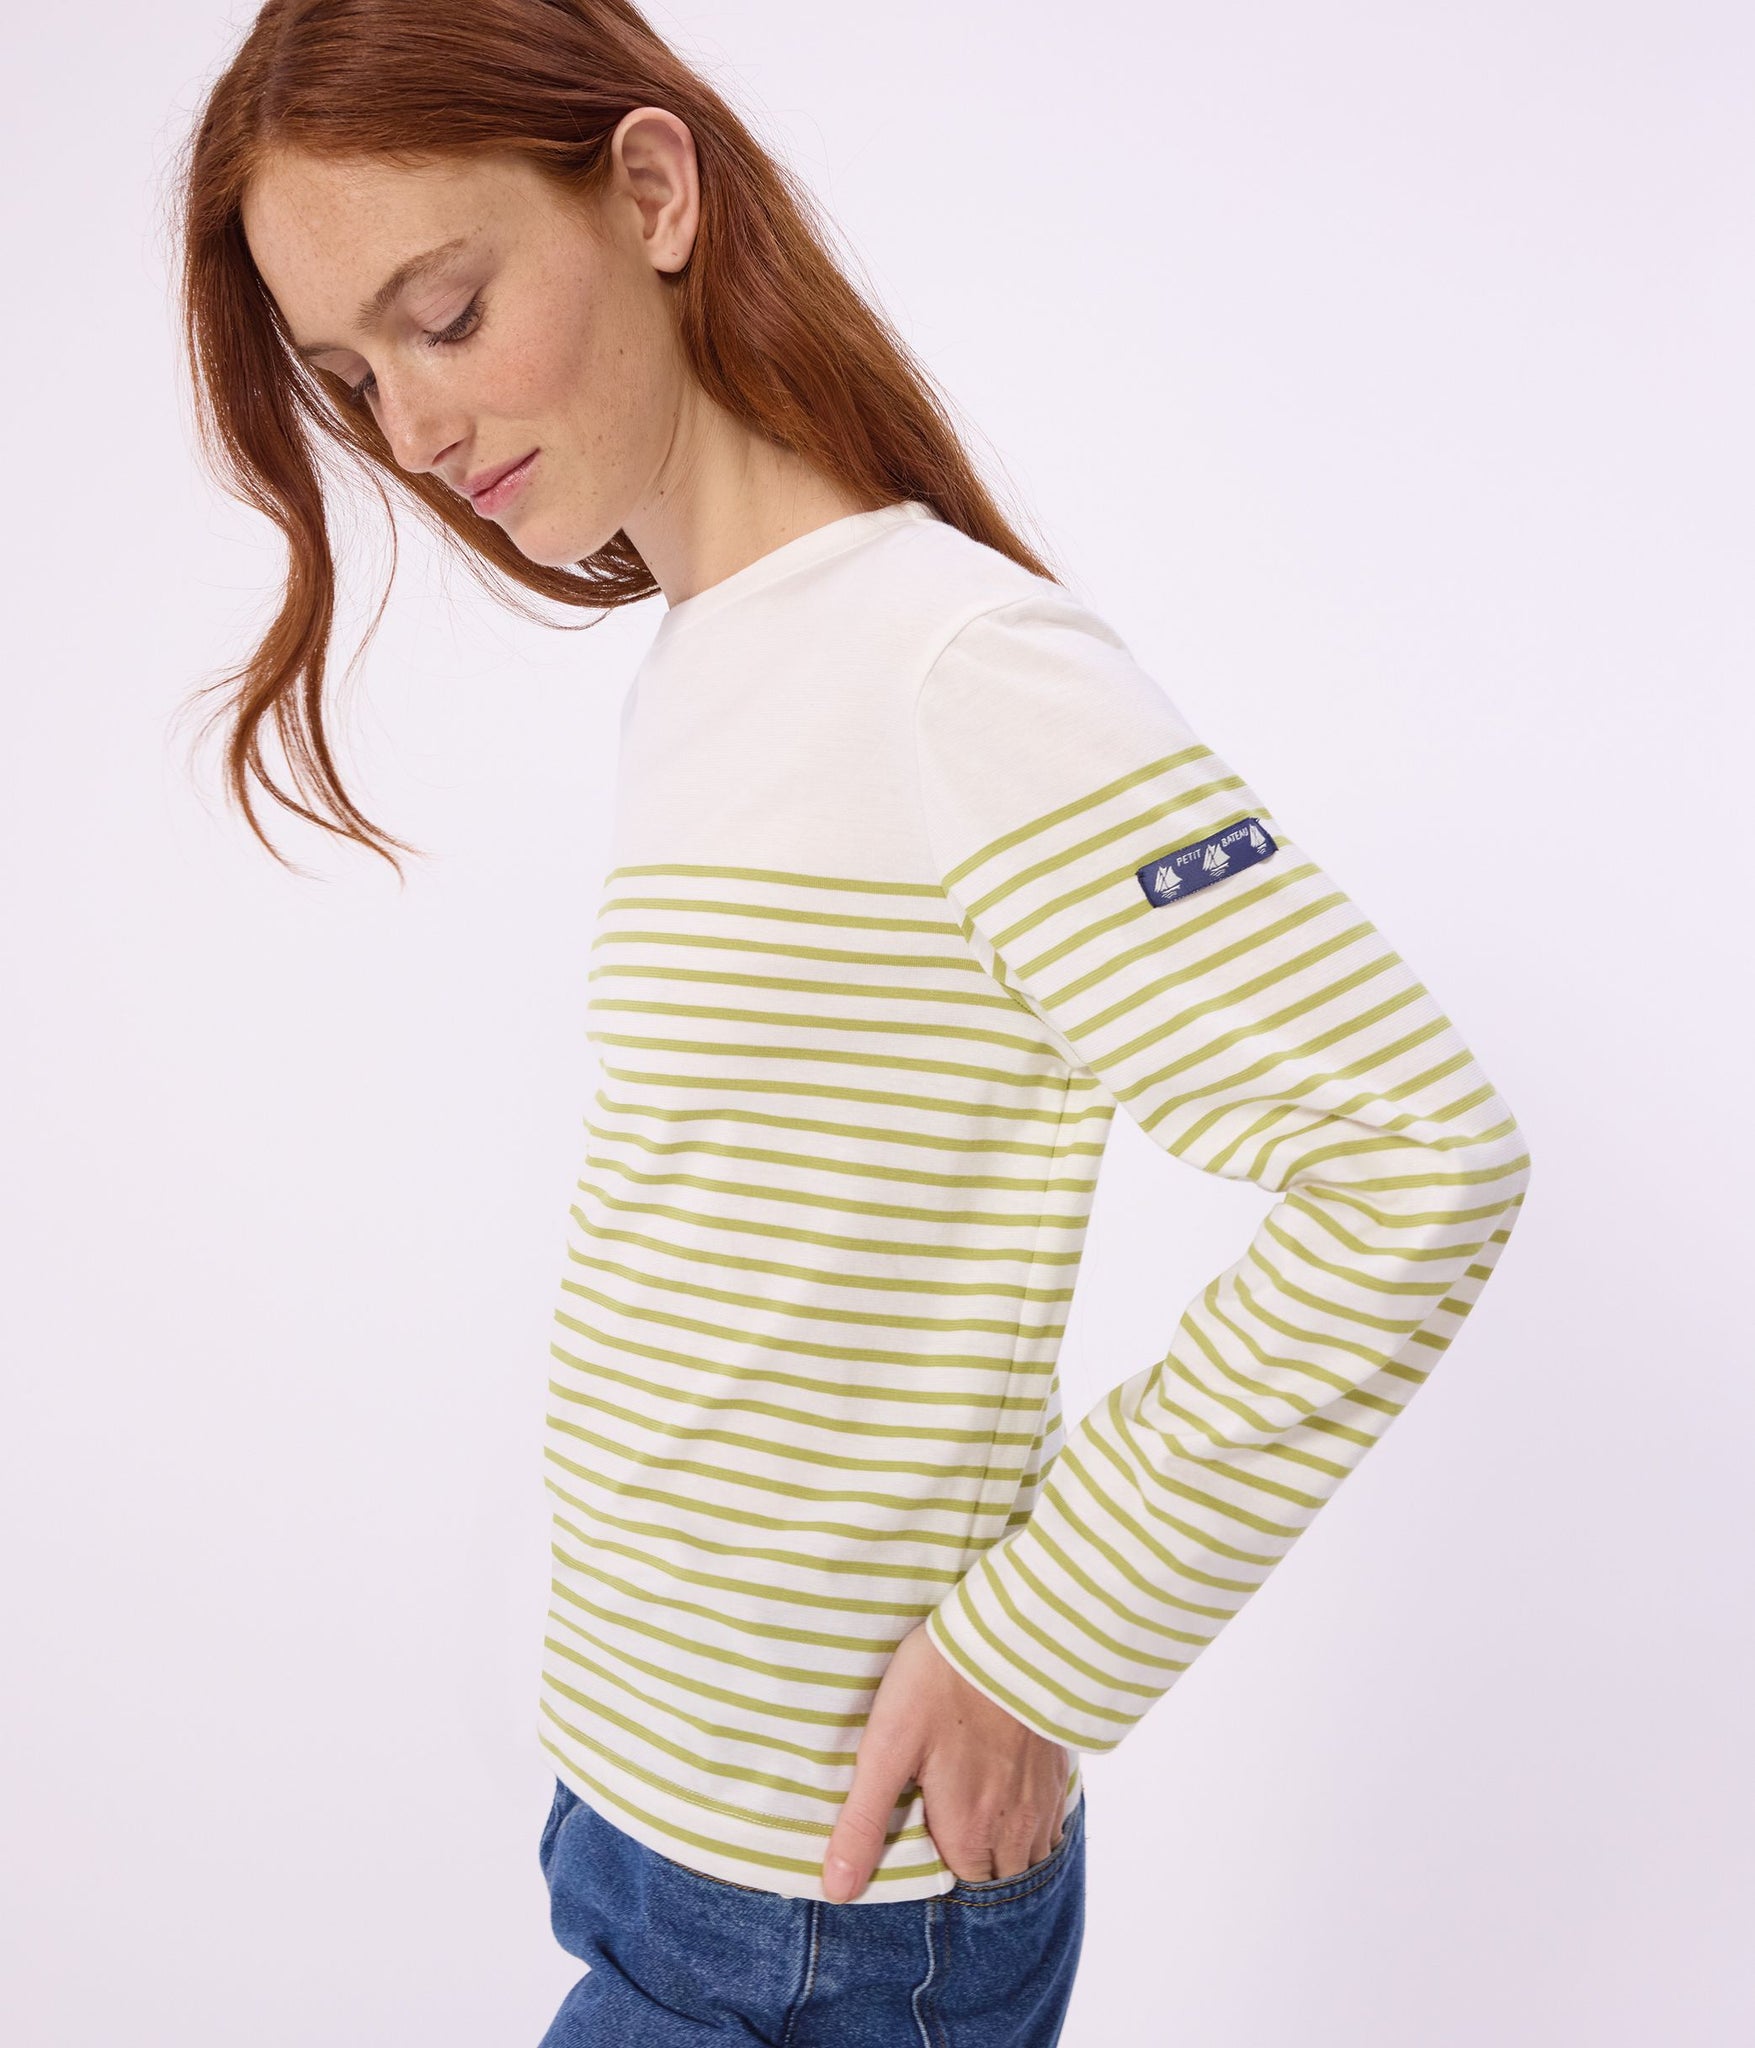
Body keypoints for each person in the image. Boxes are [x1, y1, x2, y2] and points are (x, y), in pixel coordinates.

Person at [172, 3, 1533, 2040]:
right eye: (358, 379)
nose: (415, 428)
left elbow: (1414, 1160)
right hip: (644, 1825)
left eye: (445, 315)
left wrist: (1034, 1648)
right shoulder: (713, 658)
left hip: (823, 1907)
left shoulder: (953, 665)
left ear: (650, 192)